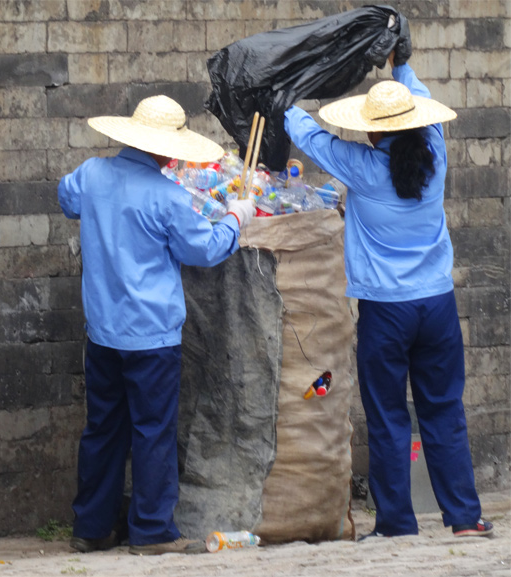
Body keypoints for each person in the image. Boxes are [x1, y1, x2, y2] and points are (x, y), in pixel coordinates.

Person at [283, 53, 493, 539]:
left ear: (373, 131)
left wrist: (284, 103)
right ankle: (464, 518)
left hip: (386, 313)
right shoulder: (436, 152)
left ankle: (397, 522)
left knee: (388, 415)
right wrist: (402, 65)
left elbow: (313, 138)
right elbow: (420, 98)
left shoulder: (362, 167)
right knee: (444, 411)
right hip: (438, 306)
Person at [57, 95, 255, 555]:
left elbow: (67, 198)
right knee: (152, 430)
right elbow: (204, 251)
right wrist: (236, 217)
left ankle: (91, 527)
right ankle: (150, 529)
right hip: (153, 336)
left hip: (103, 330)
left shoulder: (90, 175)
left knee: (103, 429)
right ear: (169, 151)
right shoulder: (169, 196)